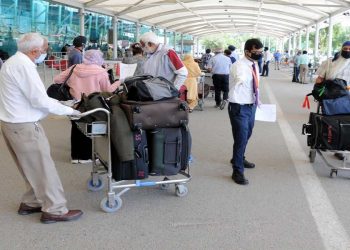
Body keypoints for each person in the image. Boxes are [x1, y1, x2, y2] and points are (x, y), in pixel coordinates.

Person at [0, 32, 83, 223]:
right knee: (44, 168)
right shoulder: (24, 66)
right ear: (35, 51)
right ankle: (55, 209)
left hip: (12, 123)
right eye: (45, 49)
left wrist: (63, 105)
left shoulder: (13, 62)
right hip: (24, 125)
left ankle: (32, 201)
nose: (47, 53)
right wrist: (69, 110)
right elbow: (39, 100)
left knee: (30, 166)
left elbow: (32, 97)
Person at [54, 49, 120, 164]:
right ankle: (87, 156)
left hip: (75, 104)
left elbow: (57, 79)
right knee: (91, 129)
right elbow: (107, 90)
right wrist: (119, 82)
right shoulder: (101, 72)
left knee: (76, 128)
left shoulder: (74, 68)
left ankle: (76, 156)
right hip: (92, 104)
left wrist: (72, 84)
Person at [228, 38, 264, 185]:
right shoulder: (239, 66)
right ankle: (237, 170)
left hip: (251, 105)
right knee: (241, 137)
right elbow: (239, 78)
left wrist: (257, 99)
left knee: (247, 134)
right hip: (239, 106)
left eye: (261, 52)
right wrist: (240, 79)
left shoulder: (253, 64)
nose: (259, 55)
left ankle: (238, 157)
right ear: (247, 51)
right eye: (256, 52)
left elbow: (254, 84)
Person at [315, 41, 350, 160]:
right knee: (331, 122)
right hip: (331, 99)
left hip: (348, 99)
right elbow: (319, 79)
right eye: (345, 48)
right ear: (341, 49)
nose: (347, 51)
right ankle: (329, 143)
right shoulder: (330, 62)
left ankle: (343, 146)